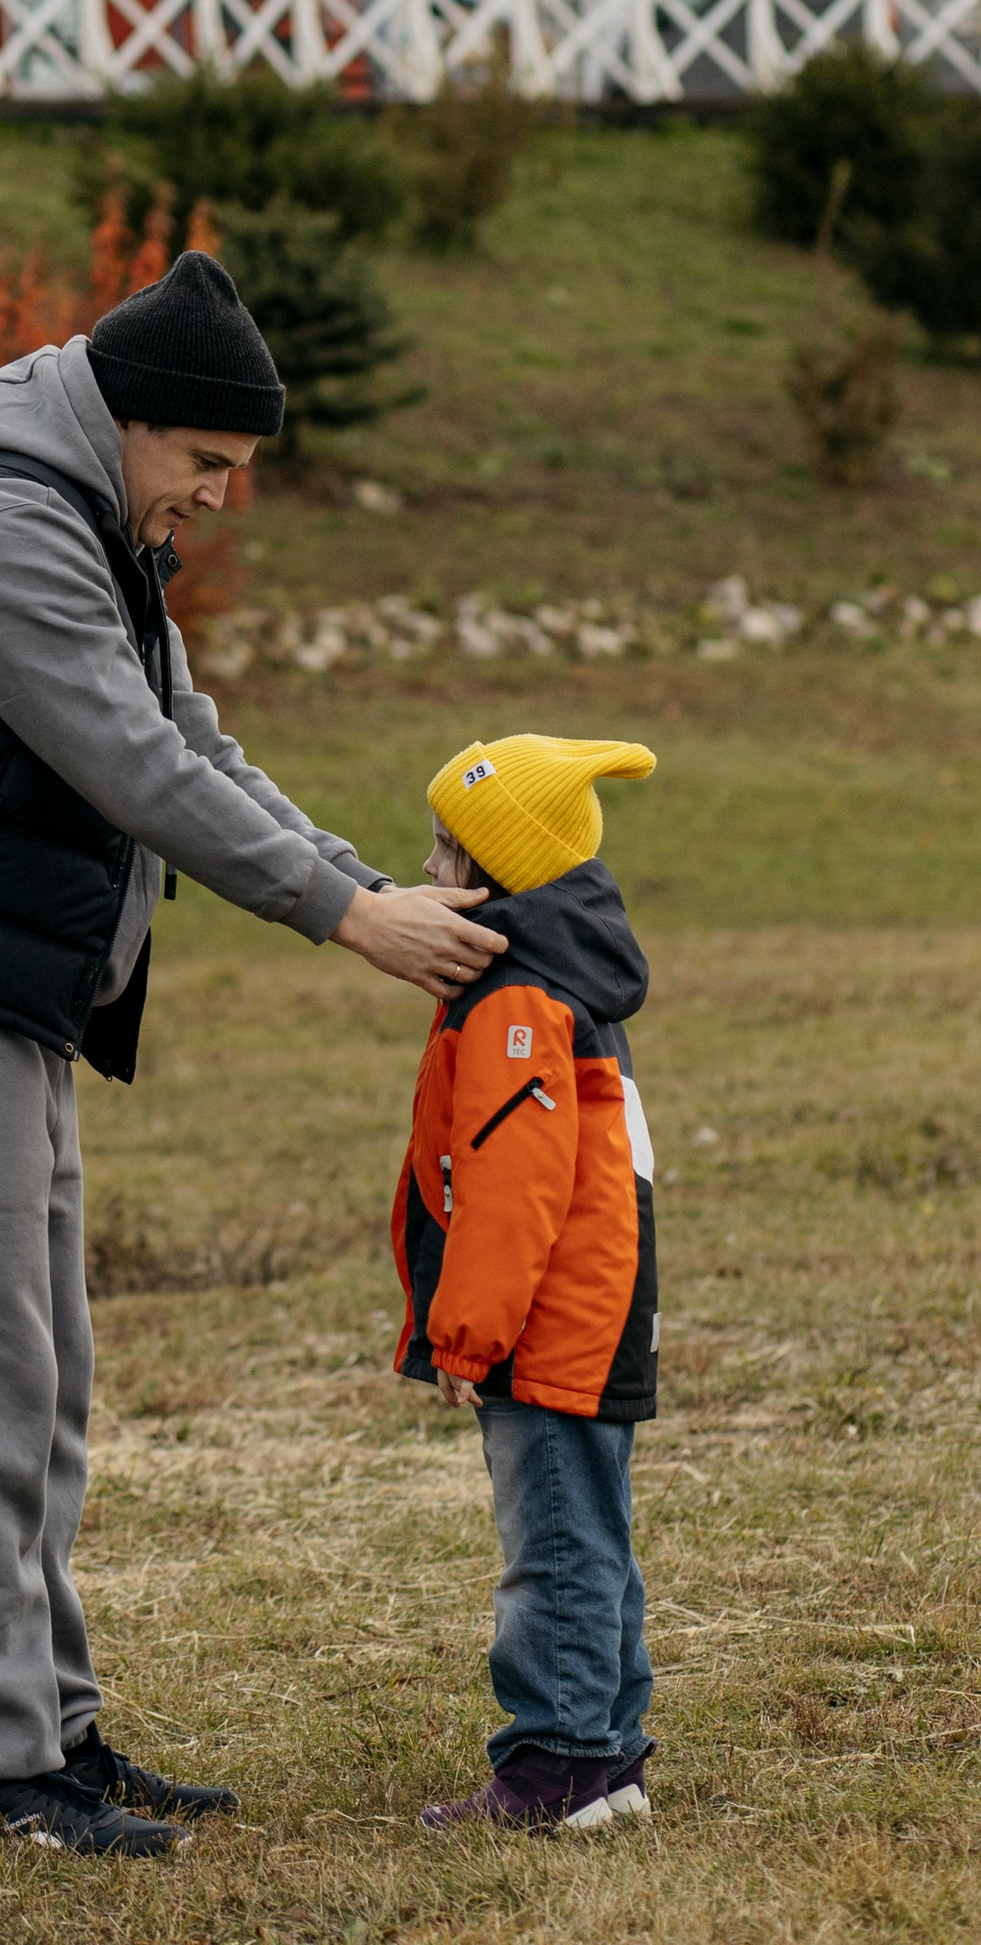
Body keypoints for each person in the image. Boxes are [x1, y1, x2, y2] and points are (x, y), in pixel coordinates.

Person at [0, 249, 510, 1862]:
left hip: (8, 997)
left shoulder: (92, 524)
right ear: (132, 422)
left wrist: (366, 881)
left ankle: (53, 1727)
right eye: (209, 467)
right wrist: (348, 918)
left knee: (43, 1389)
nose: (217, 502)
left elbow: (198, 741)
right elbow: (129, 765)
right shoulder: (0, 528)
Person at [394, 731, 661, 1836]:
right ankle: (609, 1760)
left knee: (552, 1544)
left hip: (547, 1330)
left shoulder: (516, 997)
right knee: (591, 1535)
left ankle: (553, 1769)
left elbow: (512, 1189)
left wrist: (465, 1335)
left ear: (497, 874)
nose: (423, 875)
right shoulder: (563, 976)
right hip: (593, 1317)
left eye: (444, 856)